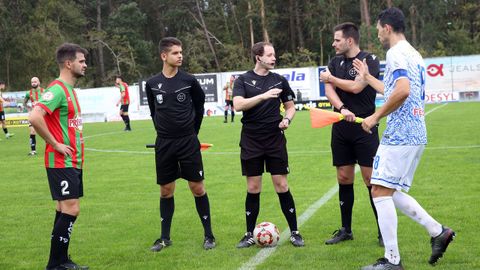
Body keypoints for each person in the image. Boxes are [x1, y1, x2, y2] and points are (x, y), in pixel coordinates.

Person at [353, 7, 455, 269]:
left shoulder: (395, 53)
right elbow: (393, 90)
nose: (377, 35)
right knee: (387, 189)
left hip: (400, 134)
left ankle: (392, 260)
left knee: (378, 190)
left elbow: (402, 91)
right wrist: (367, 78)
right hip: (416, 133)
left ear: (387, 27)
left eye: (377, 29)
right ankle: (437, 231)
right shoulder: (413, 53)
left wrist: (375, 117)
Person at [145, 37, 215, 252]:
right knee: (166, 190)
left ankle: (209, 236)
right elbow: (154, 112)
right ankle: (165, 238)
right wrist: (163, 133)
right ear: (164, 56)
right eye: (175, 53)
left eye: (181, 52)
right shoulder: (152, 84)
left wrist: (193, 133)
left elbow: (200, 107)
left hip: (188, 142)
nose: (180, 56)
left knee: (197, 187)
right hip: (164, 143)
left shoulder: (189, 81)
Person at [233, 41, 304, 248]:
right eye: (270, 55)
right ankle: (248, 234)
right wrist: (263, 96)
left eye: (274, 54)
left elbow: (290, 108)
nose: (274, 58)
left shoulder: (280, 80)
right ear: (258, 57)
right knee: (253, 187)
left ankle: (295, 232)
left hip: (274, 139)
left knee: (281, 185)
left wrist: (287, 120)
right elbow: (238, 105)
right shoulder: (243, 80)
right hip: (251, 140)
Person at [319, 22, 382, 246]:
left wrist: (331, 79)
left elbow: (356, 87)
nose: (333, 43)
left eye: (337, 40)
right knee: (344, 178)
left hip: (365, 125)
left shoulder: (369, 60)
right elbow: (329, 91)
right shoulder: (334, 62)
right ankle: (346, 230)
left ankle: (383, 231)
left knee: (371, 180)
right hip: (341, 125)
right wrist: (342, 109)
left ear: (349, 40)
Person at [29, 43, 89, 270]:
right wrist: (55, 143)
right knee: (72, 209)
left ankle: (61, 260)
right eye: (81, 61)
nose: (85, 65)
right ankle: (55, 263)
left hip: (73, 161)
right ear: (68, 63)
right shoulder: (56, 90)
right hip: (60, 161)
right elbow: (35, 116)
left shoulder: (70, 90)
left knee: (63, 209)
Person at [24, 77, 45, 155]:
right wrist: (28, 108)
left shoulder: (44, 92)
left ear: (39, 82)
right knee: (32, 131)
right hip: (33, 115)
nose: (33, 83)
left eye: (35, 81)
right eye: (32, 82)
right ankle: (33, 150)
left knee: (47, 132)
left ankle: (53, 147)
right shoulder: (28, 93)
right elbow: (24, 103)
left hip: (43, 116)